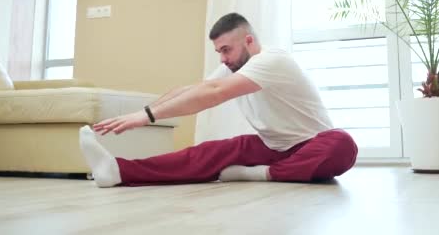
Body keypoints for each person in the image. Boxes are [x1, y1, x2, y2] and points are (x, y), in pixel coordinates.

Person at [79, 13, 358, 187]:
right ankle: (117, 170)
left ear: (248, 41)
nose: (222, 58)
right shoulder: (232, 66)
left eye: (226, 50)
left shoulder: (272, 60)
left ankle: (262, 174)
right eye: (218, 52)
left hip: (313, 145)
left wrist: (146, 117)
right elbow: (198, 88)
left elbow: (214, 93)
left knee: (342, 144)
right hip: (273, 146)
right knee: (209, 151)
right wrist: (144, 112)